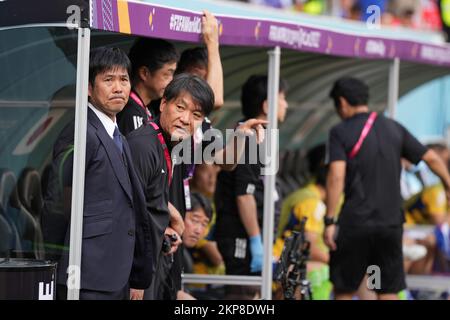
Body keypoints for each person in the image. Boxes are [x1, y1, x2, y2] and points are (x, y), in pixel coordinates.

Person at [126, 74, 266, 299]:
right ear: (163, 104)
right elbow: (132, 211)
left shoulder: (182, 141)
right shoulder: (143, 145)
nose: (185, 118)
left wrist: (240, 135)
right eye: (180, 107)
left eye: (196, 115)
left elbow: (226, 162)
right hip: (139, 264)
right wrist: (137, 277)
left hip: (162, 249)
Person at [323, 77, 450, 300]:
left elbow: (336, 176)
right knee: (382, 287)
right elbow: (431, 158)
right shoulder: (394, 128)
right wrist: (448, 184)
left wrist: (330, 220)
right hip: (388, 229)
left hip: (356, 227)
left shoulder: (340, 132)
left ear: (342, 103)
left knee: (345, 288)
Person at [45, 47, 153, 300]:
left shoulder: (117, 135)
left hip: (115, 274)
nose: (118, 88)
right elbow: (58, 205)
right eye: (108, 79)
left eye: (124, 79)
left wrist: (136, 274)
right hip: (85, 278)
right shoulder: (81, 133)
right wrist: (55, 268)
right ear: (88, 88)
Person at [214, 74, 288, 299]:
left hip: (252, 236)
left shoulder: (262, 136)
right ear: (266, 105)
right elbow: (244, 195)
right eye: (282, 98)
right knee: (242, 294)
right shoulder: (251, 137)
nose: (285, 104)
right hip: (241, 237)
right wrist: (257, 241)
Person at [117, 38, 178, 135]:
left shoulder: (147, 107)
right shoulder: (130, 112)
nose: (172, 80)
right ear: (144, 73)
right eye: (166, 74)